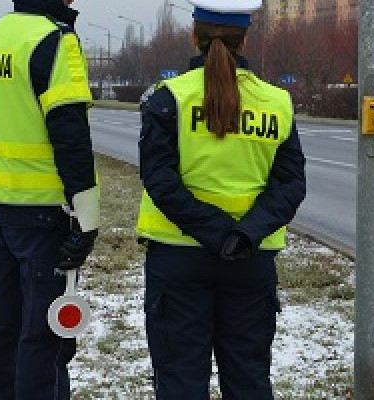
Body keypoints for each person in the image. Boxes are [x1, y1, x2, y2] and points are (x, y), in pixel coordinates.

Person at [136, 0, 306, 397]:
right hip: (250, 260)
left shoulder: (167, 99)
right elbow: (291, 185)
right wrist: (243, 234)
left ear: (193, 36)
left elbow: (159, 181)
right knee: (248, 380)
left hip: (178, 258)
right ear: (245, 38)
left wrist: (213, 232)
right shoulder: (277, 103)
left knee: (180, 380)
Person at [0, 0, 99, 398]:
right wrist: (87, 219)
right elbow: (70, 135)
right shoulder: (55, 39)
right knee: (43, 341)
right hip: (44, 215)